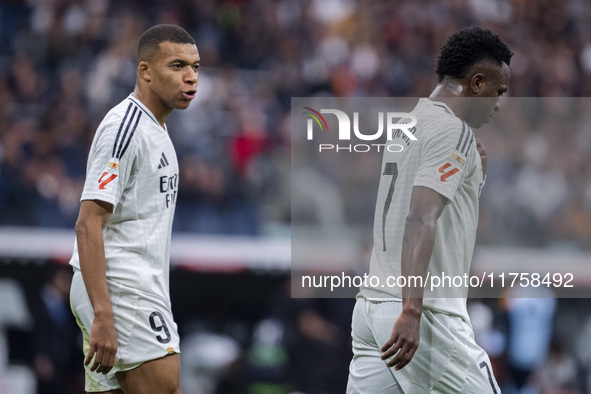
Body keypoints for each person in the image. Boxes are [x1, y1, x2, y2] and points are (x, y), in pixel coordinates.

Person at [347, 27, 512, 393]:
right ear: (478, 83)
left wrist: (475, 177)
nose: (499, 103)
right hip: (427, 314)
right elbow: (420, 217)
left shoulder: (407, 124)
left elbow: (418, 200)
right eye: (499, 91)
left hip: (372, 307)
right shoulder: (453, 131)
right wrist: (412, 311)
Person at [69, 24, 200, 393]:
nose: (190, 77)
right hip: (121, 286)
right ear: (145, 70)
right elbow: (87, 224)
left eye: (195, 66)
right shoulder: (124, 128)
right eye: (177, 66)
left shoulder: (157, 126)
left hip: (124, 286)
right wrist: (104, 314)